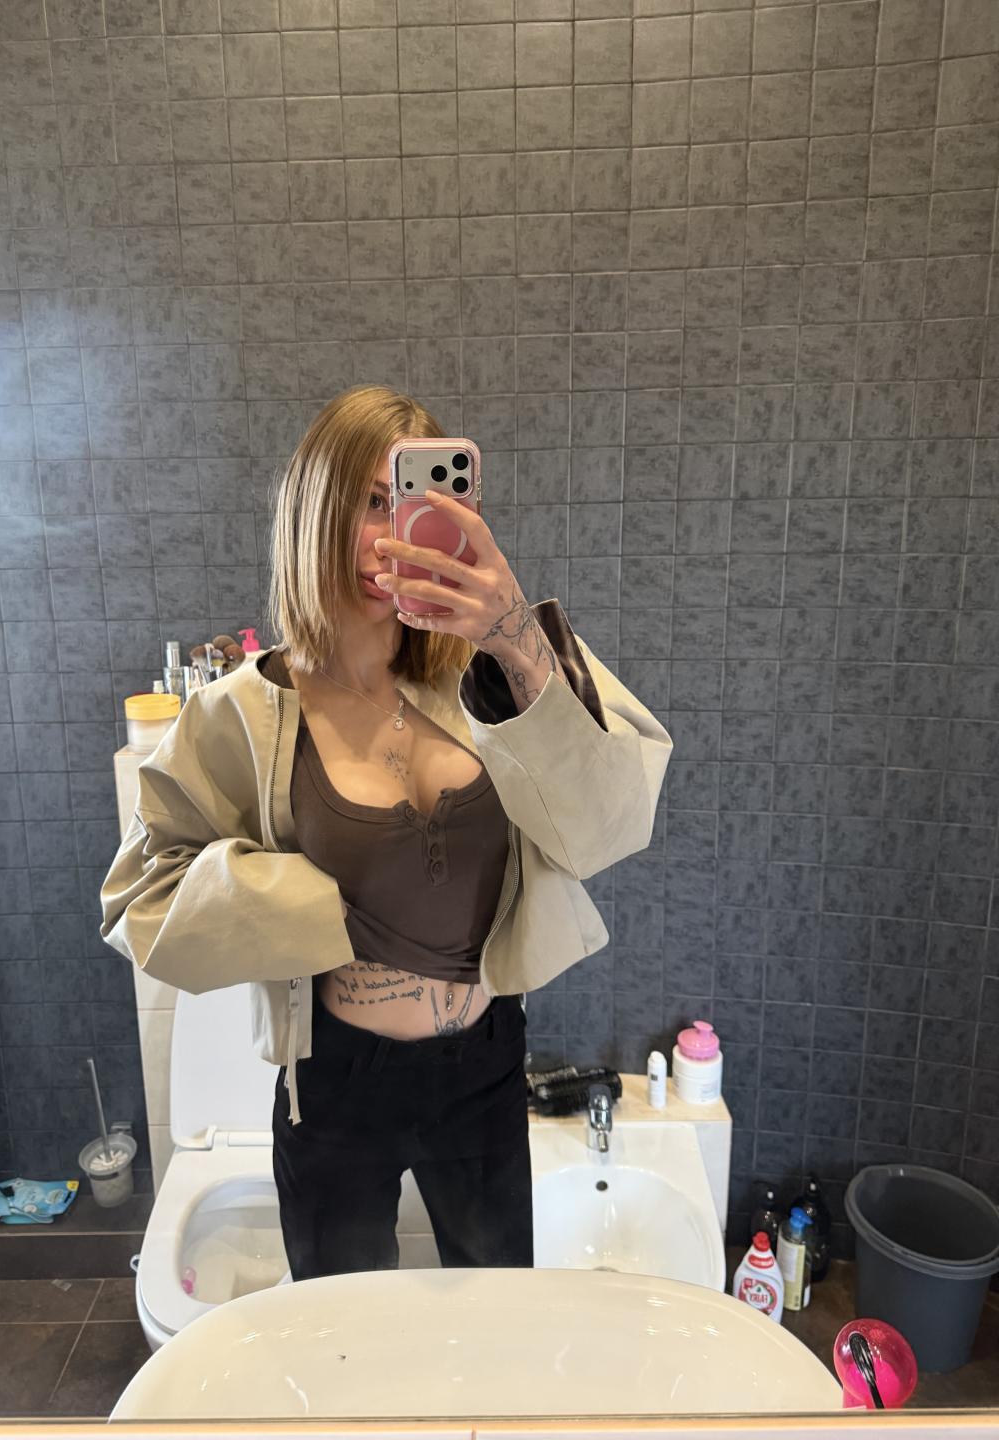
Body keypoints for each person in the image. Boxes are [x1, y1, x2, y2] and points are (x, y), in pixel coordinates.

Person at [99, 384, 674, 1282]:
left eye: (415, 499)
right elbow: (139, 895)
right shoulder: (242, 713)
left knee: (495, 1313)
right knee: (341, 1332)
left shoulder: (494, 673)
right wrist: (314, 904)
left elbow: (614, 822)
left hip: (485, 1064)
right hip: (337, 1080)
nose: (394, 533)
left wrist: (514, 634)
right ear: (314, 511)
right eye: (370, 502)